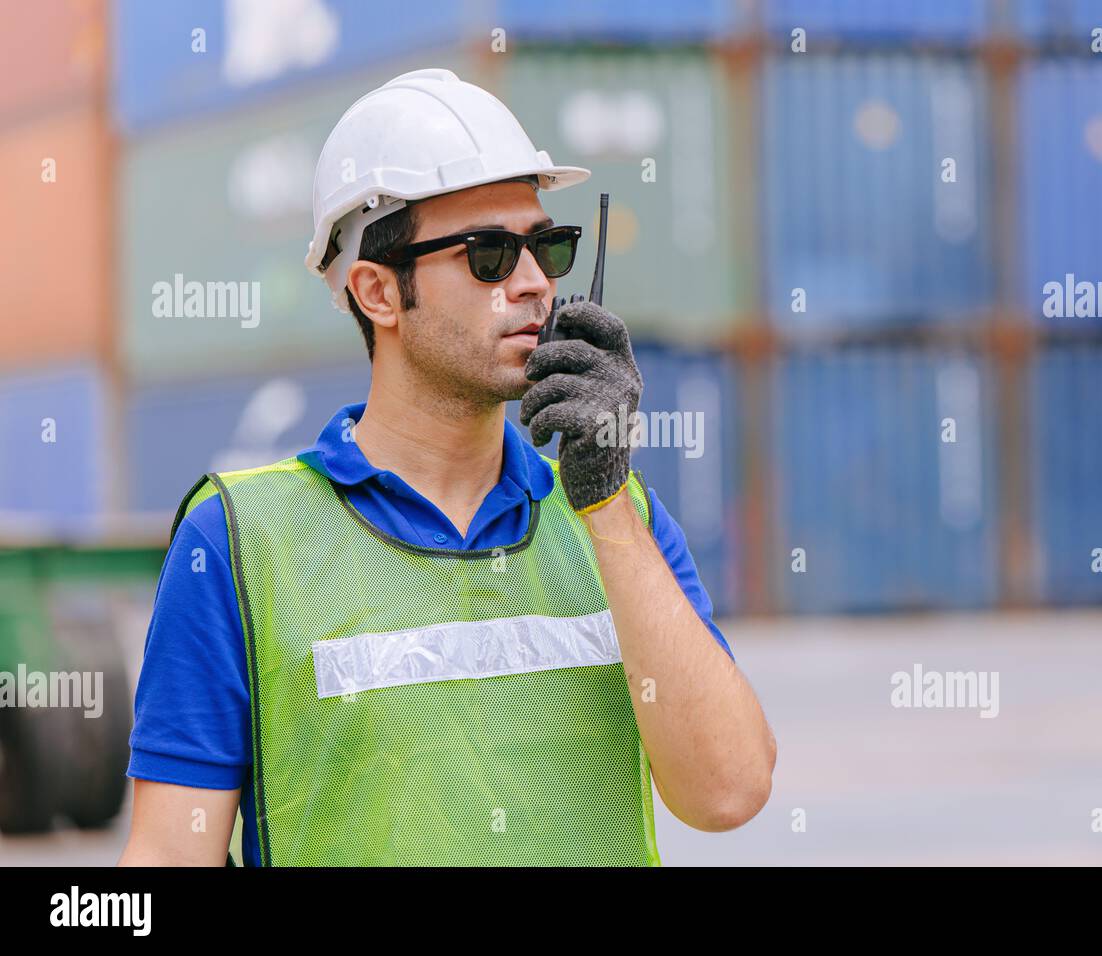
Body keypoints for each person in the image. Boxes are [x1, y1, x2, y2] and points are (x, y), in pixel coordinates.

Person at [119, 69, 776, 866]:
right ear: (377, 292)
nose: (536, 282)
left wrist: (603, 508)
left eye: (548, 246)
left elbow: (728, 793)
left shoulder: (615, 517)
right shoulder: (239, 543)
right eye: (490, 254)